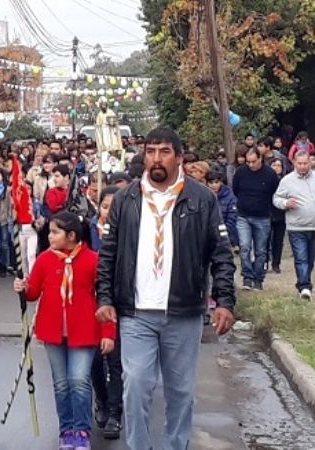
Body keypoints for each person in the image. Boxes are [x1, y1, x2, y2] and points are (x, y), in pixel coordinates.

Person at [96, 128, 236, 450]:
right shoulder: (125, 199)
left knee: (181, 393)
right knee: (136, 386)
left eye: (164, 151)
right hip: (136, 313)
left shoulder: (202, 199)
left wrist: (225, 301)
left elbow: (221, 255)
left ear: (179, 157)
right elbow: (109, 254)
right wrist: (104, 297)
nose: (156, 159)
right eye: (150, 151)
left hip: (183, 312)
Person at [14, 211, 115, 450]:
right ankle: (66, 429)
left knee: (79, 380)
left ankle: (82, 430)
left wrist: (108, 332)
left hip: (85, 330)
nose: (49, 236)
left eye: (55, 232)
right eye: (49, 232)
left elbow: (105, 299)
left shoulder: (93, 260)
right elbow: (33, 293)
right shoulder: (45, 260)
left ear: (71, 235)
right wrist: (23, 287)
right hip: (53, 331)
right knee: (61, 383)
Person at [86, 185, 124, 439]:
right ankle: (101, 398)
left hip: (119, 299)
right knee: (95, 359)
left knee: (116, 360)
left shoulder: (128, 230)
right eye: (105, 206)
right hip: (92, 299)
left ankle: (114, 411)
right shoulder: (88, 230)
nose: (109, 211)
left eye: (114, 207)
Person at [232, 149, 279, 290]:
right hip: (243, 215)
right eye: (248, 162)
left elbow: (275, 192)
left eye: (253, 161)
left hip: (263, 216)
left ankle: (258, 278)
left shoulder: (270, 174)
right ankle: (247, 277)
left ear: (260, 158)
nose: (250, 165)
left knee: (261, 250)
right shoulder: (240, 172)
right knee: (245, 246)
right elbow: (235, 189)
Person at [273, 150, 315, 300]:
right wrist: (286, 203)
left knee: (310, 260)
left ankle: (303, 281)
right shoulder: (287, 181)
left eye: (305, 163)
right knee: (301, 258)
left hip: (313, 226)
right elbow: (276, 198)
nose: (302, 166)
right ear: (294, 163)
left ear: (310, 163)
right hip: (296, 227)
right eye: (300, 163)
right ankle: (305, 287)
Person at [206, 171, 239, 252]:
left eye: (216, 182)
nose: (214, 185)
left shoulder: (229, 196)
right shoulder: (203, 195)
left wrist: (231, 240)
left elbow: (231, 219)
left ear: (221, 182)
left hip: (225, 234)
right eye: (211, 183)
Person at [0, 169, 12, 278]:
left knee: (4, 243)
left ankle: (4, 265)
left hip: (4, 219)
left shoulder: (8, 190)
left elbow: (10, 206)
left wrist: (9, 219)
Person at [268, 158, 287, 274]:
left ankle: (276, 263)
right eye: (274, 165)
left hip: (281, 214)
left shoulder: (286, 181)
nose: (276, 167)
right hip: (267, 213)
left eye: (279, 165)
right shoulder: (265, 179)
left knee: (278, 241)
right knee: (265, 240)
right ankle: (264, 262)